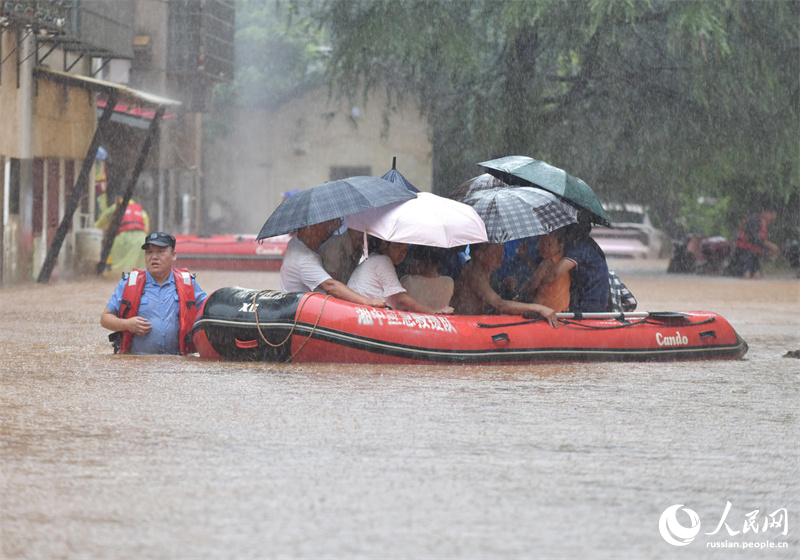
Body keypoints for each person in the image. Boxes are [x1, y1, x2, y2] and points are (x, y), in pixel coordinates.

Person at [100, 232, 207, 355]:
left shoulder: (188, 283)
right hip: (138, 365)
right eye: (149, 252)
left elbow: (208, 310)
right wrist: (127, 324)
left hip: (178, 366)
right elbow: (105, 318)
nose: (154, 257)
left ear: (174, 255)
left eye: (161, 252)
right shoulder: (129, 283)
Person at [280, 219, 386, 308]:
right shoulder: (304, 260)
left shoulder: (296, 241)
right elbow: (330, 286)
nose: (328, 229)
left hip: (302, 304)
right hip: (300, 310)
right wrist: (366, 301)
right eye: (325, 225)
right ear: (310, 227)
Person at [450, 242, 558, 327]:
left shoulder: (487, 273)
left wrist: (503, 286)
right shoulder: (474, 273)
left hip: (473, 323)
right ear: (479, 254)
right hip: (464, 327)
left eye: (502, 250)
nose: (501, 256)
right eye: (495, 251)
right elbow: (499, 305)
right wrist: (539, 308)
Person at [348, 237, 454, 314]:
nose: (402, 254)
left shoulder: (375, 259)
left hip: (360, 313)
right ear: (384, 245)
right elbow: (401, 299)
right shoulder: (383, 260)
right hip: (362, 315)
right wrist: (434, 312)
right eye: (397, 247)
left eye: (405, 250)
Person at [537, 220, 609, 313]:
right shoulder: (588, 243)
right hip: (595, 301)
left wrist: (538, 276)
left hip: (590, 304)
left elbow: (555, 273)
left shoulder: (579, 246)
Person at [94, 196, 149, 272]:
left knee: (120, 271)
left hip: (124, 240)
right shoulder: (141, 211)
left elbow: (99, 226)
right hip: (143, 241)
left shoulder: (116, 207)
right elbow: (146, 229)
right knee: (141, 271)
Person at [521, 230, 571, 313]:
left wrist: (521, 292)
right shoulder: (562, 260)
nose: (544, 247)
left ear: (560, 247)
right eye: (542, 243)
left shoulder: (547, 262)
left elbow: (534, 283)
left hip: (545, 311)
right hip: (562, 311)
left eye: (549, 244)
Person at [726, 209, 779, 279]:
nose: (771, 222)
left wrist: (768, 253)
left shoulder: (761, 222)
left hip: (752, 255)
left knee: (758, 275)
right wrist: (771, 245)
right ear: (766, 212)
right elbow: (753, 238)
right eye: (771, 219)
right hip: (744, 253)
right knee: (747, 274)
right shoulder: (754, 220)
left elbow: (758, 247)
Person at [399, 245, 455, 311]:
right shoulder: (448, 282)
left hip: (415, 320)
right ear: (439, 263)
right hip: (439, 320)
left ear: (418, 262)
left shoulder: (407, 281)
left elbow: (400, 305)